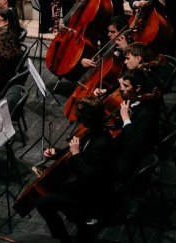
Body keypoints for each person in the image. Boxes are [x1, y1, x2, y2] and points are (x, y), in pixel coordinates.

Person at [34, 97, 120, 243]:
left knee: (43, 202)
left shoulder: (102, 143)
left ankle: (70, 235)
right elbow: (77, 150)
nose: (77, 119)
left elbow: (88, 177)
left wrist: (76, 154)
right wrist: (56, 153)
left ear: (88, 118)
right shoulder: (92, 132)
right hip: (82, 187)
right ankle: (80, 225)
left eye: (80, 116)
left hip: (92, 198)